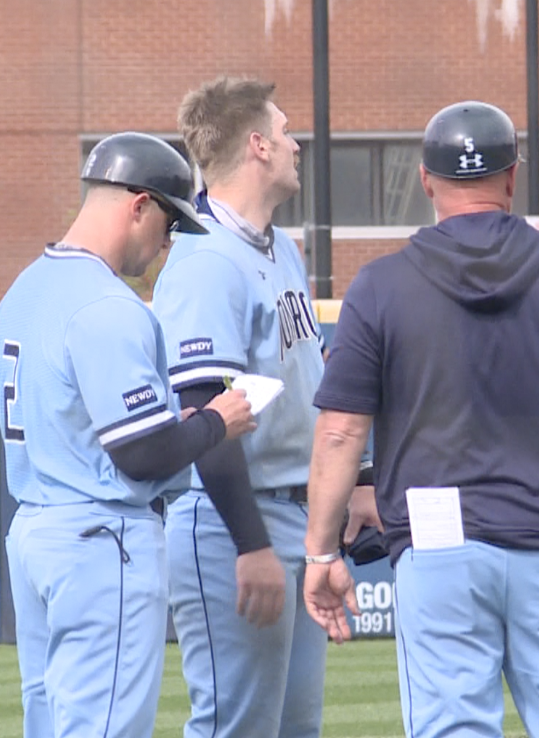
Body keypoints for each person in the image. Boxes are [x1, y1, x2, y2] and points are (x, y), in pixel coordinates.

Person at [302, 100, 539, 738]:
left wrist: (322, 549)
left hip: (437, 549)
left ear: (427, 180)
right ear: (512, 176)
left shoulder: (380, 284)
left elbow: (341, 430)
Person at [0, 131, 256, 738]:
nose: (167, 243)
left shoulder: (25, 288)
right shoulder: (106, 304)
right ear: (138, 204)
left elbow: (86, 422)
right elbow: (143, 456)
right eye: (168, 224)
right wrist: (219, 421)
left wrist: (176, 427)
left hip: (37, 531)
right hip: (99, 540)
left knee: (53, 722)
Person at [153, 76, 359, 738]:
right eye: (286, 128)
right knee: (235, 729)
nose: (296, 142)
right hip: (230, 523)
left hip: (292, 515)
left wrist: (351, 487)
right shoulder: (207, 257)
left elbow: (305, 384)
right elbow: (202, 410)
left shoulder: (279, 246)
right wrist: (251, 544)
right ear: (257, 145)